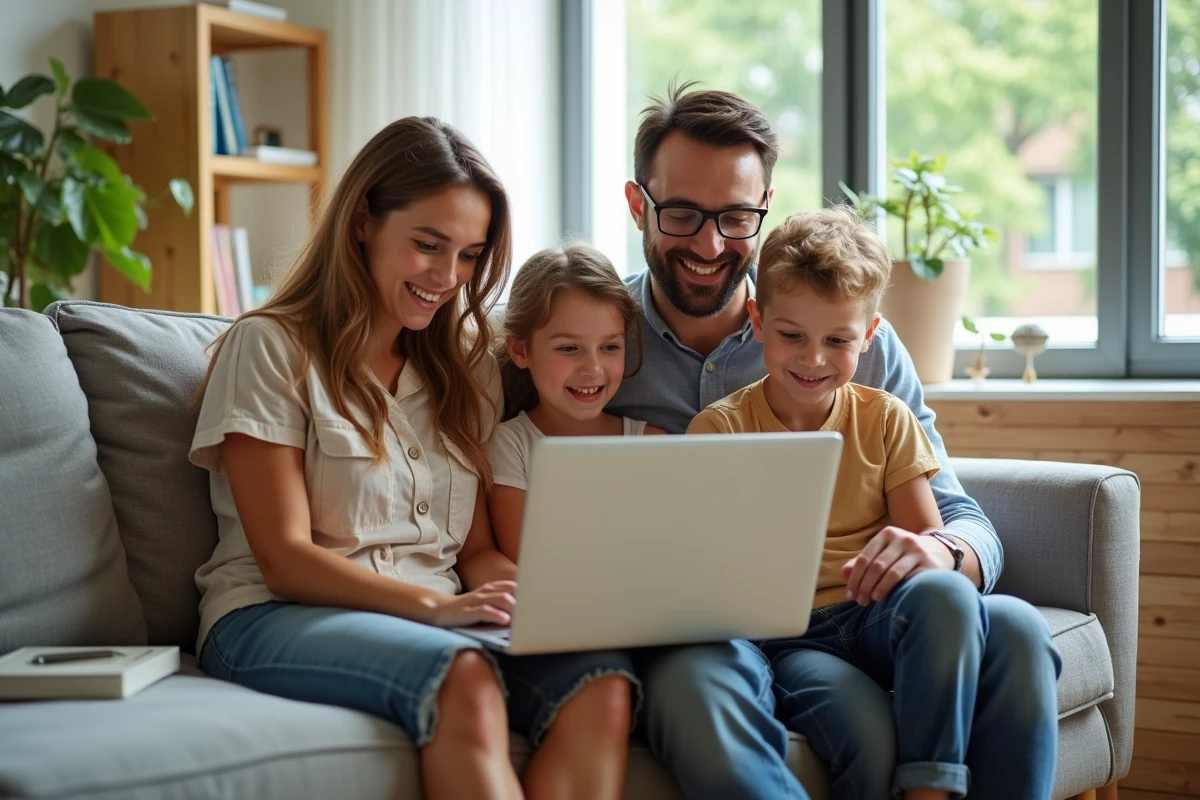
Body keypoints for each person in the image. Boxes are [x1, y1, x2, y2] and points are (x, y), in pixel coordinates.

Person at [606, 82, 1062, 799]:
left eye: (735, 216)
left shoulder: (861, 352)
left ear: (764, 209)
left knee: (1014, 630)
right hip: (724, 631)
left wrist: (942, 551)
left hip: (868, 613)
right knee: (716, 679)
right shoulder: (588, 344)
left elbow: (953, 515)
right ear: (639, 205)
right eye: (683, 214)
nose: (709, 242)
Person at [189, 117, 633, 800]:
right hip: (271, 615)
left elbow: (476, 548)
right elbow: (283, 556)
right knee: (462, 675)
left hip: (436, 617)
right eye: (428, 245)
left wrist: (530, 597)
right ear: (364, 219)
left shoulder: (466, 367)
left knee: (600, 682)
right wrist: (435, 608)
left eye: (469, 255)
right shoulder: (270, 347)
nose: (447, 277)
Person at [686, 206, 1062, 799]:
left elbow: (926, 555)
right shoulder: (720, 430)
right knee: (862, 721)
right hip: (792, 638)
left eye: (837, 340)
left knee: (1006, 619)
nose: (812, 359)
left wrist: (917, 556)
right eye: (791, 336)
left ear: (870, 334)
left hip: (876, 617)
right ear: (757, 321)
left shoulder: (886, 417)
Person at [488, 242, 665, 566]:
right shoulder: (511, 446)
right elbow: (528, 562)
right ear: (520, 351)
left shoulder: (653, 444)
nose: (593, 369)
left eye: (610, 347)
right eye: (569, 348)